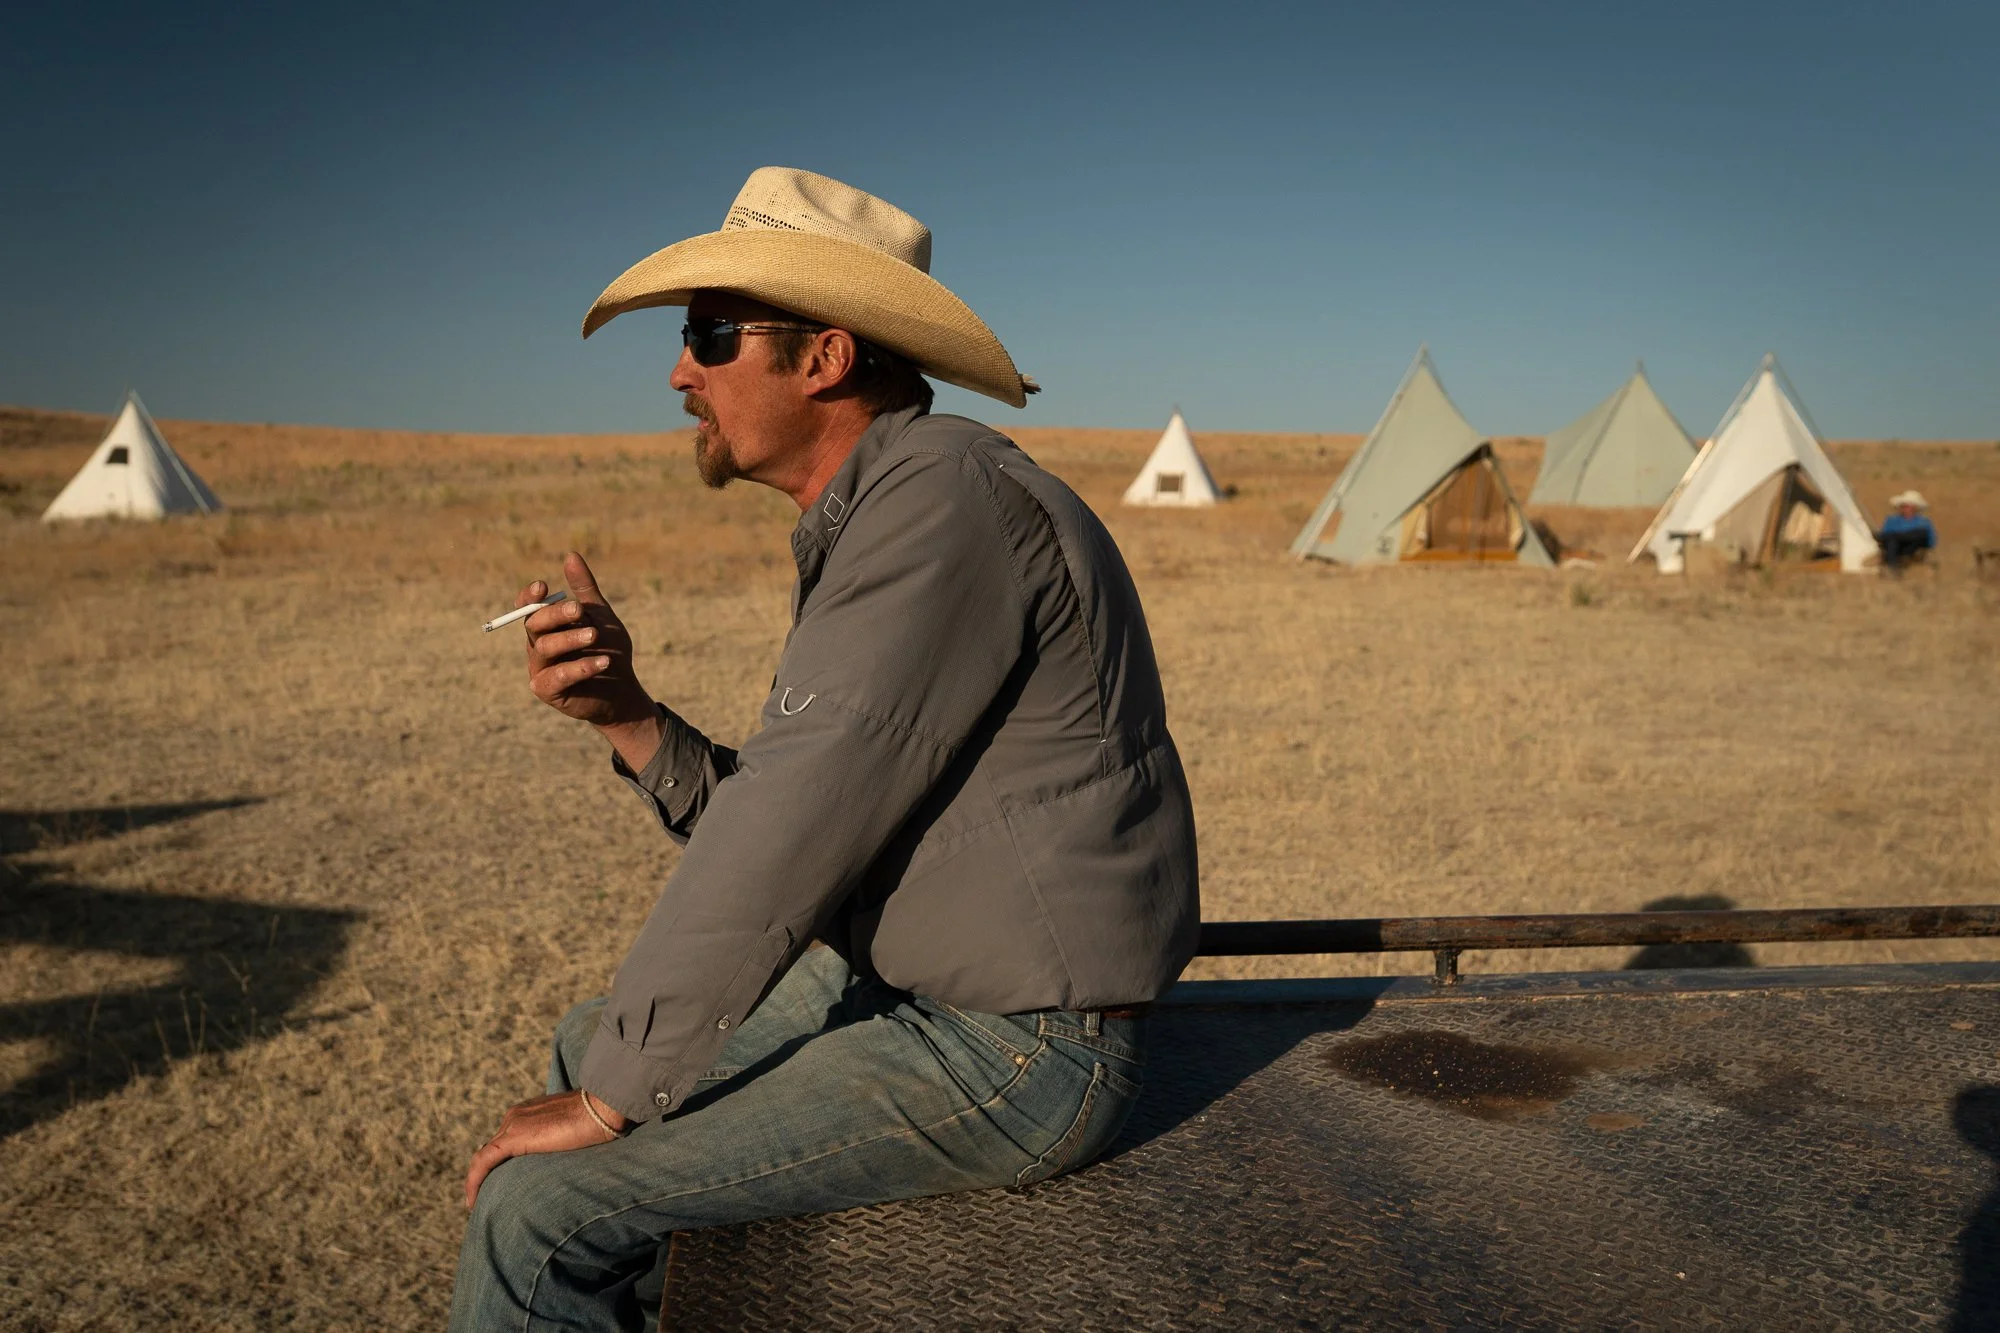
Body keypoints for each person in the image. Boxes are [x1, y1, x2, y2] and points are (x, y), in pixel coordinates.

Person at [449, 167, 1201, 1331]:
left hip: (1012, 1047)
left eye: (709, 334)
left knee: (535, 1209)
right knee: (580, 1040)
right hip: (922, 988)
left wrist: (613, 1102)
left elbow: (792, 817)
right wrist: (628, 716)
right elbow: (820, 812)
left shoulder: (940, 500)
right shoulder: (895, 503)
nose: (678, 371)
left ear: (825, 359)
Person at [1877, 489, 1938, 570]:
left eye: (1908, 506)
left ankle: (1898, 538)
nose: (1906, 509)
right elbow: (1885, 536)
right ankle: (1893, 569)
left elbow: (1931, 541)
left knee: (1920, 533)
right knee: (1891, 541)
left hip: (1914, 546)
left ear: (1915, 508)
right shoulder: (1892, 520)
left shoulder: (1923, 521)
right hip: (1898, 547)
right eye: (1904, 506)